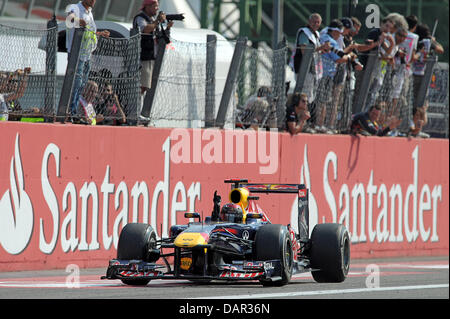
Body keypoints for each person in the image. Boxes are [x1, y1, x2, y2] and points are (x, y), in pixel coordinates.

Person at [66, 0, 110, 118]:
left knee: (82, 85)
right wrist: (78, 20)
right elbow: (69, 19)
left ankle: (75, 111)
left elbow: (90, 31)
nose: (93, 1)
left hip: (86, 55)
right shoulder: (76, 8)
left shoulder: (89, 12)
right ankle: (71, 112)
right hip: (77, 54)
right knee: (76, 84)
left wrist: (100, 34)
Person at [133, 0, 174, 118]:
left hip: (151, 56)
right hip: (143, 56)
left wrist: (167, 28)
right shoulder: (140, 18)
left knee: (144, 86)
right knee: (141, 86)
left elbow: (159, 35)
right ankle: (135, 112)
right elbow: (145, 29)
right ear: (147, 6)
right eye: (154, 6)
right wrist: (157, 21)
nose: (156, 9)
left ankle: (138, 112)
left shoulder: (152, 20)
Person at [314, 19, 354, 134]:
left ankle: (319, 124)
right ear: (335, 32)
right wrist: (350, 56)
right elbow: (339, 58)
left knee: (320, 100)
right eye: (339, 33)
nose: (340, 36)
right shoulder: (331, 41)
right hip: (326, 74)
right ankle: (320, 124)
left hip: (319, 72)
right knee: (324, 100)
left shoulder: (322, 36)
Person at [291, 13, 331, 105]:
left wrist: (323, 50)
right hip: (304, 69)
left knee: (311, 94)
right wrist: (321, 48)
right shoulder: (305, 33)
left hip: (312, 69)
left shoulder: (316, 34)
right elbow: (305, 51)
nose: (316, 24)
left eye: (318, 22)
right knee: (305, 94)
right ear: (309, 22)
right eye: (314, 22)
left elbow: (315, 51)